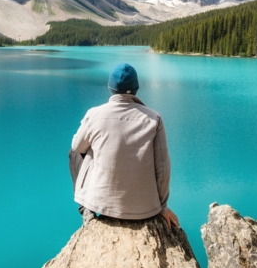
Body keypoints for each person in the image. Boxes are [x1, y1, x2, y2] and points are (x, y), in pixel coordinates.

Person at [68, 63, 180, 230]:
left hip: (100, 204)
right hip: (145, 209)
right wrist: (163, 208)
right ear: (136, 88)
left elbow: (77, 147)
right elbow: (163, 168)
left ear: (110, 87)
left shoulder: (95, 113)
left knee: (75, 152)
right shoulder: (154, 118)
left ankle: (87, 208)